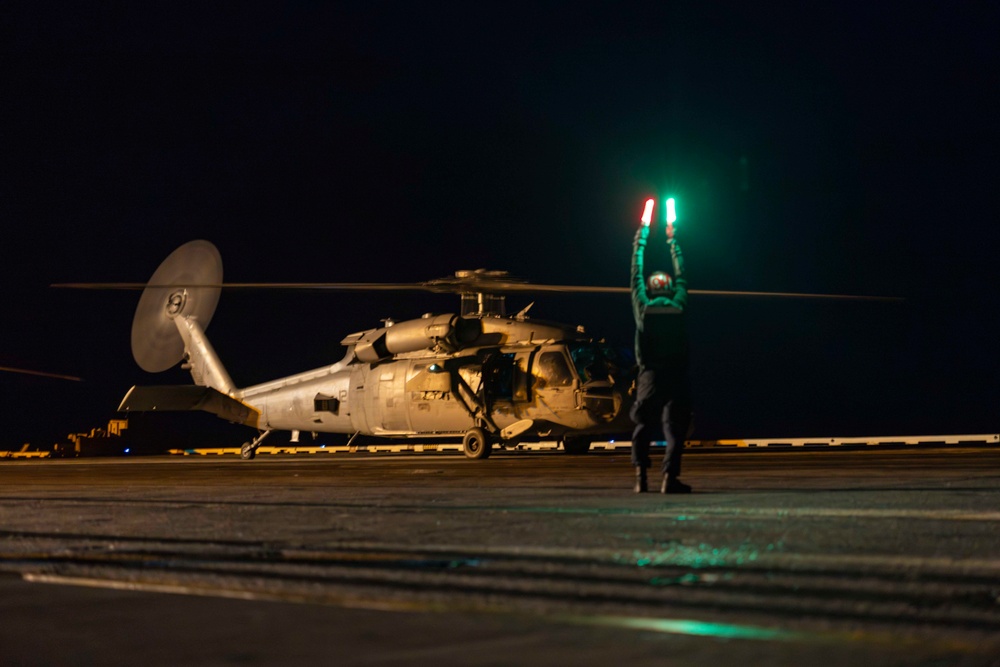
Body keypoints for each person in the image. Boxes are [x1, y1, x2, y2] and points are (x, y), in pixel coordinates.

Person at [629, 209, 692, 493]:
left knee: (643, 424)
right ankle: (669, 479)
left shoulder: (643, 308)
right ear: (669, 288)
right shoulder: (679, 304)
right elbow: (683, 273)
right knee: (674, 429)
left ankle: (641, 479)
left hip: (650, 376)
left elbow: (635, 272)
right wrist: (672, 240)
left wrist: (641, 237)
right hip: (677, 375)